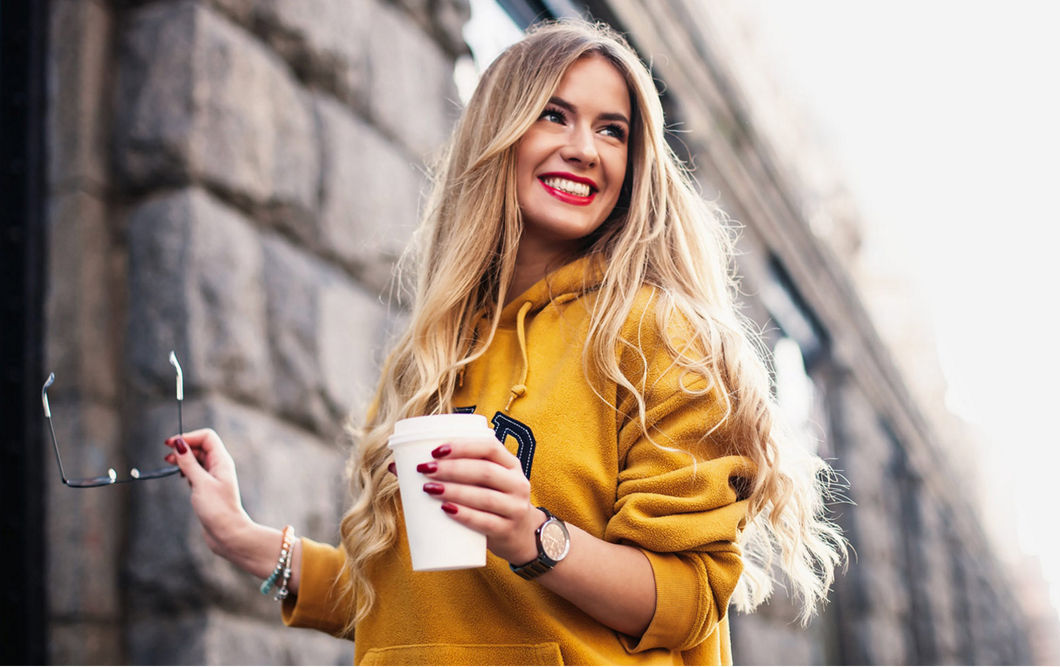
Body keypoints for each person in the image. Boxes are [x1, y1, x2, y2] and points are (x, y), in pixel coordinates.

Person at [164, 19, 845, 666]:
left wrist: (532, 535)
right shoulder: (435, 351)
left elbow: (687, 597)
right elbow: (416, 604)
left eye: (613, 130)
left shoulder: (657, 334)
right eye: (555, 114)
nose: (584, 147)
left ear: (634, 166)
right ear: (499, 131)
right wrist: (250, 540)